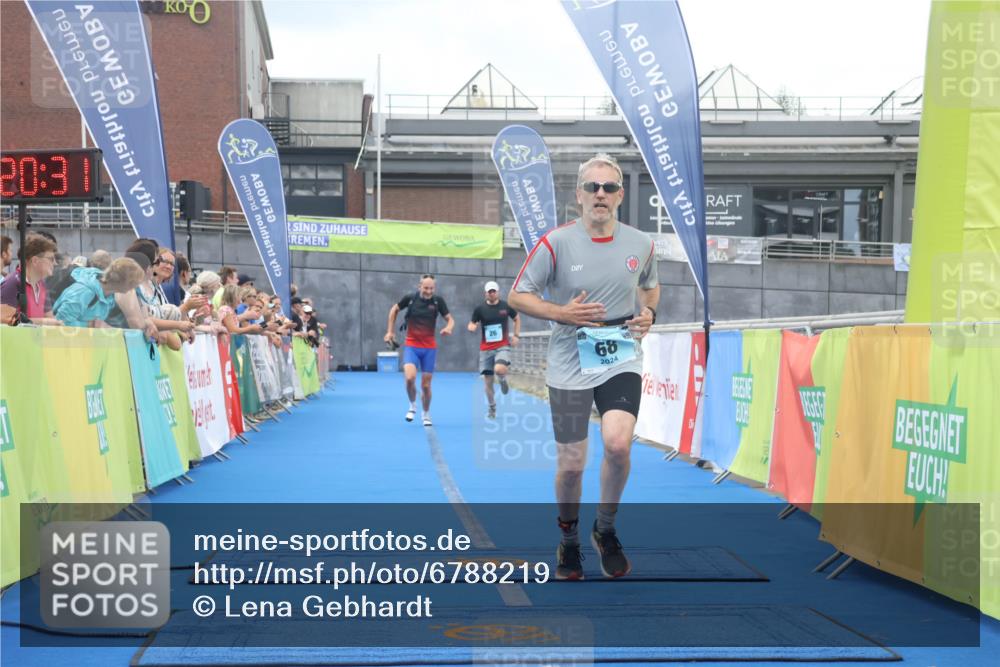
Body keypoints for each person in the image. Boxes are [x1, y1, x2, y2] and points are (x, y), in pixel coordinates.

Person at [508, 154, 659, 581]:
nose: (600, 194)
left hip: (620, 353)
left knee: (617, 445)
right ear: (578, 195)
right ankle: (569, 538)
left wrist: (650, 314)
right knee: (572, 464)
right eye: (592, 187)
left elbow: (650, 287)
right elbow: (519, 296)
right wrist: (561, 313)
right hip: (569, 357)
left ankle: (605, 530)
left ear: (620, 196)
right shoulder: (555, 243)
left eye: (609, 187)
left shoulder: (641, 244)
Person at [384, 274, 454, 426]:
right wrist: (390, 331)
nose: (429, 291)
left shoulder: (437, 301)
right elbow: (394, 310)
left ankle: (426, 413)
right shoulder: (410, 298)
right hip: (412, 345)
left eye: (431, 288)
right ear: (419, 286)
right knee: (409, 378)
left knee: (426, 385)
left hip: (429, 348)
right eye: (426, 288)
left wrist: (448, 327)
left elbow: (450, 319)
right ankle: (412, 405)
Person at [468, 280, 520, 419]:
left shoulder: (505, 306)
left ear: (498, 292)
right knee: (488, 382)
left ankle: (502, 380)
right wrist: (471, 327)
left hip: (502, 346)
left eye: (494, 291)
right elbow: (472, 323)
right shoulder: (480, 309)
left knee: (499, 369)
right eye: (489, 292)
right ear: (485, 293)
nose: (491, 294)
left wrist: (516, 335)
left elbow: (516, 318)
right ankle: (492, 407)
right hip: (486, 349)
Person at [53, 258, 146, 328]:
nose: (135, 288)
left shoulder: (110, 296)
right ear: (124, 282)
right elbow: (60, 322)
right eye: (135, 284)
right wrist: (90, 325)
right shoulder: (84, 292)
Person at [0, 234, 62, 325]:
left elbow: (50, 318)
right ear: (35, 261)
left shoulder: (41, 285)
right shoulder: (12, 284)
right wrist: (44, 322)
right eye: (51, 259)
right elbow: (5, 322)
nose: (55, 263)